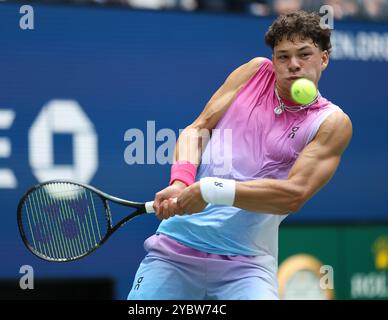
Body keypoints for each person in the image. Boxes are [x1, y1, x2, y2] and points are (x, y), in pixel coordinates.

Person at [128, 10, 352, 300]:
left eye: (304, 54)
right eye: (283, 56)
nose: (293, 64)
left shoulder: (331, 122)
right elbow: (198, 129)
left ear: (323, 58)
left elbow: (294, 194)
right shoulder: (253, 72)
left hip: (247, 266)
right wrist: (180, 182)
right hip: (175, 251)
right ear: (273, 60)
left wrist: (210, 190)